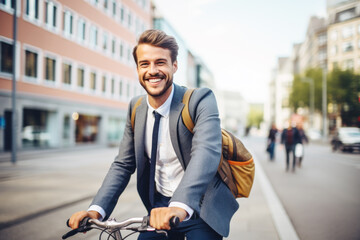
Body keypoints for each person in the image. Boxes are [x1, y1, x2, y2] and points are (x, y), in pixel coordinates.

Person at [68, 29, 238, 240]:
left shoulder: (200, 100)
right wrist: (96, 210)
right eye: (144, 64)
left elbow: (206, 153)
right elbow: (123, 164)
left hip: (200, 206)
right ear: (138, 69)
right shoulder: (136, 108)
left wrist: (179, 206)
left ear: (174, 66)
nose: (152, 70)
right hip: (159, 209)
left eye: (160, 62)